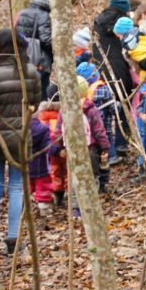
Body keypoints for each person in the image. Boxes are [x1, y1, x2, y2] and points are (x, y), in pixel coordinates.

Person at [0, 28, 42, 256]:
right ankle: (13, 240)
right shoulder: (30, 72)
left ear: (2, 46)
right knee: (16, 188)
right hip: (21, 138)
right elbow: (35, 102)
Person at [53, 76, 110, 217]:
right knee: (92, 176)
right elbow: (99, 130)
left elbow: (58, 132)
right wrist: (105, 147)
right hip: (90, 149)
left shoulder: (64, 110)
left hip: (71, 150)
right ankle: (91, 205)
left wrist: (61, 147)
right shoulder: (91, 109)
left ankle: (76, 209)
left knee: (74, 179)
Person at [92, 0, 136, 160]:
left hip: (100, 70)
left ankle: (106, 151)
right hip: (119, 70)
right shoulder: (123, 24)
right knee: (123, 104)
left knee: (103, 110)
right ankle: (121, 143)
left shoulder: (98, 21)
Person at [15, 0, 54, 99]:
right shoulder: (44, 15)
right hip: (40, 63)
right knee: (41, 95)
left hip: (23, 62)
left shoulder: (22, 13)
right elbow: (46, 39)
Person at [77, 62, 119, 170]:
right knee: (107, 139)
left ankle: (98, 163)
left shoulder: (81, 95)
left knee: (95, 145)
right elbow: (112, 107)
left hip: (90, 129)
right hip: (105, 125)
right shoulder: (103, 89)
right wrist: (117, 108)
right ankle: (112, 157)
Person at [29, 115, 55, 216]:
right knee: (43, 188)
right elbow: (47, 146)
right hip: (40, 166)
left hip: (24, 166)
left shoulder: (19, 127)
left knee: (24, 188)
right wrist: (57, 150)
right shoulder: (43, 129)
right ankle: (44, 209)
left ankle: (22, 207)